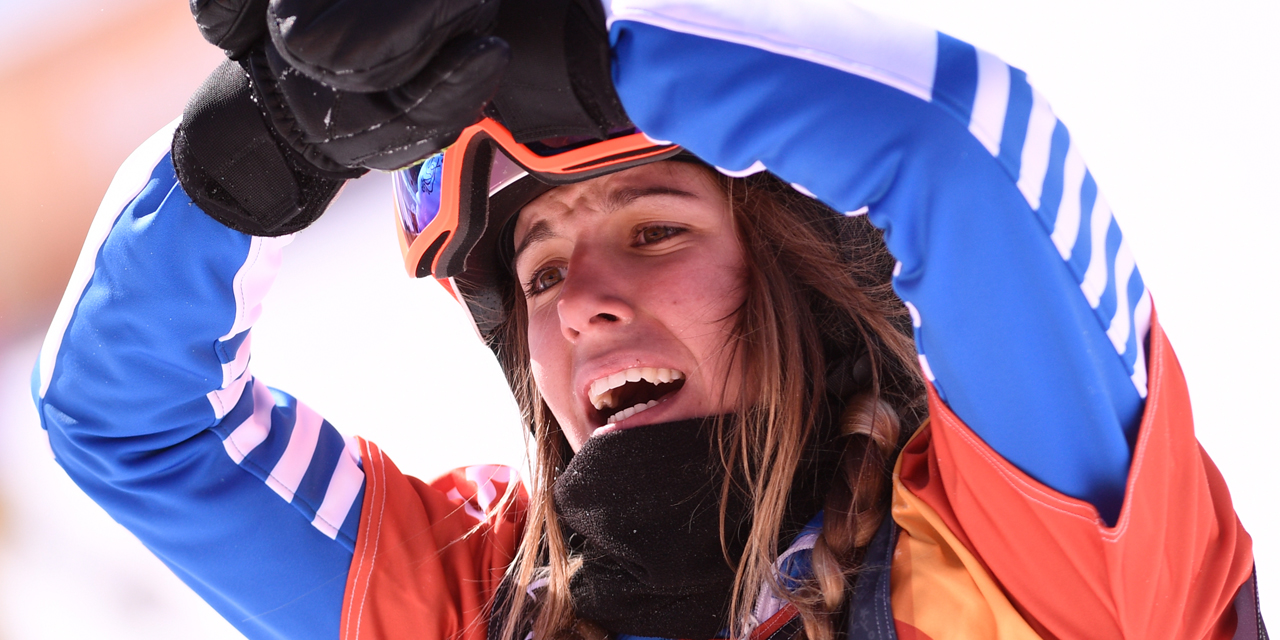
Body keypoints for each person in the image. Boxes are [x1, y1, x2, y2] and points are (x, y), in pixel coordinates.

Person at [31, 0, 1264, 639]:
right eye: (542, 273)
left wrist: (569, 56)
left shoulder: (1037, 551)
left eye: (657, 229)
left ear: (802, 274)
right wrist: (265, 147)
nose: (583, 306)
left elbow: (958, 144)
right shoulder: (490, 603)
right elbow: (123, 414)